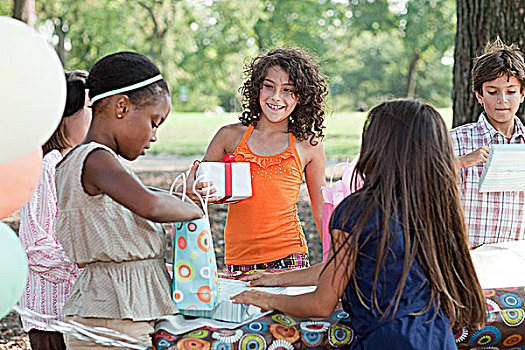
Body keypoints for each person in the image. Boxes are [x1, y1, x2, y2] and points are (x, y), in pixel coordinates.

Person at [232, 100, 486, 349]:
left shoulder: (357, 211)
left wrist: (266, 299)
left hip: (387, 341)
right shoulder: (434, 208)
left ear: (377, 148)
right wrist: (275, 279)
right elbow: (341, 268)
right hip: (438, 338)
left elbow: (322, 304)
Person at [54, 52, 203, 349]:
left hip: (121, 316)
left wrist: (183, 195)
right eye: (154, 122)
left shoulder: (103, 164)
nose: (155, 136)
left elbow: (150, 195)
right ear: (122, 107)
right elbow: (151, 205)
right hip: (112, 321)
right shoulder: (95, 160)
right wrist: (194, 210)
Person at [191, 48, 328, 272]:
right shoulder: (229, 137)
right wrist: (199, 188)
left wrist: (335, 262)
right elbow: (195, 194)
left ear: (302, 96)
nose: (276, 97)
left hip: (290, 258)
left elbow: (321, 210)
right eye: (269, 86)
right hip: (238, 261)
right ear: (257, 88)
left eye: (288, 90)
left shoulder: (308, 145)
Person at [18, 70, 91, 350]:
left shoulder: (79, 164)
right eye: (89, 108)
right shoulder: (49, 167)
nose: (97, 116)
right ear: (64, 116)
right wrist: (86, 265)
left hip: (73, 308)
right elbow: (37, 246)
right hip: (50, 312)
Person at [450, 37, 525, 247]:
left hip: (517, 260)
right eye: (492, 92)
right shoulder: (455, 140)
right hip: (468, 257)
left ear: (522, 94)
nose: (502, 99)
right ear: (479, 95)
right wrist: (461, 162)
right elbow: (422, 180)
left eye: (511, 92)